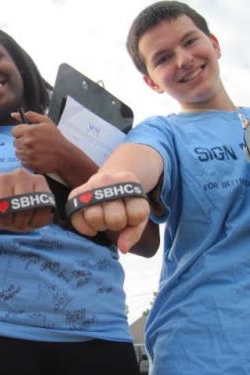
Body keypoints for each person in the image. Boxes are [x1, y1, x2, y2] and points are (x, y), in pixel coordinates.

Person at [0, 24, 159, 375]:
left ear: (19, 63)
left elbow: (147, 241)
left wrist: (65, 158)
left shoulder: (90, 135)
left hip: (96, 336)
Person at [67, 2, 250, 374]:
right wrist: (118, 181)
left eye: (190, 42)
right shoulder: (163, 131)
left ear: (214, 44)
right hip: (203, 349)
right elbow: (139, 158)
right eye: (163, 57)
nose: (183, 60)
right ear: (151, 80)